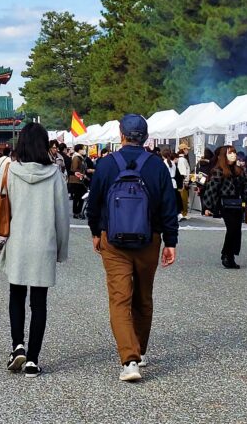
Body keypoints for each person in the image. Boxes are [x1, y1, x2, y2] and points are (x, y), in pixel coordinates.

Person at [86, 114, 178, 383]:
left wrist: (95, 233)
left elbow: (94, 203)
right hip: (149, 239)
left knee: (120, 298)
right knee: (143, 297)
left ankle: (130, 360)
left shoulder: (105, 164)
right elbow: (168, 206)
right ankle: (140, 350)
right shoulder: (158, 166)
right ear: (146, 137)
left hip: (113, 240)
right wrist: (170, 241)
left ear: (121, 134)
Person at [0, 123, 70, 378]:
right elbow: (62, 216)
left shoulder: (9, 169)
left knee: (16, 295)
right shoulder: (54, 174)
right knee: (39, 302)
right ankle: (32, 359)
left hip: (18, 243)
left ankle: (17, 346)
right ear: (45, 145)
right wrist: (61, 249)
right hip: (44, 243)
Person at [202, 145, 247, 269]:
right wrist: (208, 206)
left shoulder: (239, 171)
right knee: (232, 229)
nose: (233, 155)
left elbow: (245, 188)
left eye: (234, 153)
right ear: (224, 156)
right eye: (230, 153)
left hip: (237, 203)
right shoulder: (219, 170)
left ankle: (229, 254)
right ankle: (227, 255)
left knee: (237, 230)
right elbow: (212, 189)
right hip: (224, 203)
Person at [68, 144, 89, 216]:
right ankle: (76, 212)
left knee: (81, 197)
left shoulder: (80, 157)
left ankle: (78, 212)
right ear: (79, 150)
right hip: (76, 180)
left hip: (80, 180)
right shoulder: (76, 158)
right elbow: (74, 169)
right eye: (83, 149)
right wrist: (82, 174)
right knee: (78, 197)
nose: (84, 150)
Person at [175, 143, 192, 219]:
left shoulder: (181, 159)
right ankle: (183, 213)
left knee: (183, 197)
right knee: (183, 198)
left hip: (181, 181)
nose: (187, 151)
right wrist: (185, 181)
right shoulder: (182, 160)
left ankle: (183, 212)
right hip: (183, 182)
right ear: (183, 150)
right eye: (186, 149)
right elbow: (183, 172)